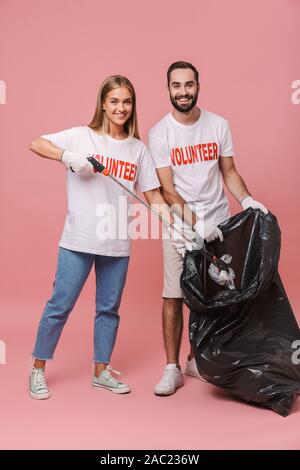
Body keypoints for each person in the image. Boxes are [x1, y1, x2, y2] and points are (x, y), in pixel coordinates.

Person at [29, 75, 167, 399]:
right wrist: (68, 157)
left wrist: (173, 217)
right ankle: (37, 369)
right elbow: (36, 143)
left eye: (127, 102)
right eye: (115, 101)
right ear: (103, 103)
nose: (121, 108)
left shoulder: (139, 150)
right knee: (59, 306)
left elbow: (153, 195)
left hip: (118, 242)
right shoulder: (81, 136)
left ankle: (101, 372)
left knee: (109, 309)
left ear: (133, 106)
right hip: (78, 240)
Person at [148, 61, 268, 396]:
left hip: (218, 224)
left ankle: (195, 360)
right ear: (168, 89)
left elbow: (229, 171)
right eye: (176, 86)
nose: (183, 91)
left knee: (215, 296)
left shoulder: (218, 125)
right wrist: (193, 223)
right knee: (173, 295)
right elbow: (167, 189)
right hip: (180, 226)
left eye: (188, 85)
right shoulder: (160, 133)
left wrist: (246, 200)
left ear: (198, 86)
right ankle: (172, 368)